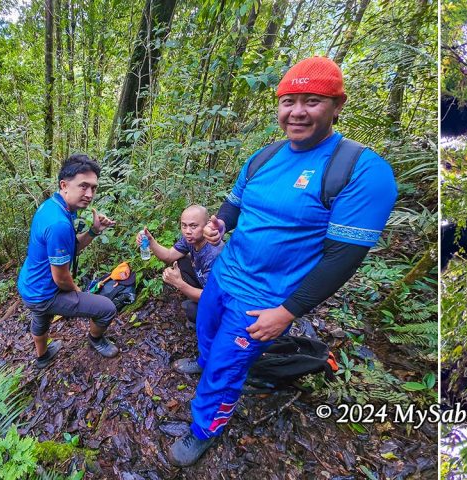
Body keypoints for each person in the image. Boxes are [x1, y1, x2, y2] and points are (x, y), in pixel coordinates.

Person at [168, 56, 398, 467]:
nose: (296, 112)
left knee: (226, 369)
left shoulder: (360, 170)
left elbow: (343, 259)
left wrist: (287, 312)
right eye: (288, 101)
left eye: (312, 101)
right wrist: (219, 224)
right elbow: (234, 206)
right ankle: (203, 364)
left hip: (265, 300)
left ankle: (204, 429)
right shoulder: (264, 156)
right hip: (225, 275)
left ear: (338, 104)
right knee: (206, 333)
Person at [17, 154, 121, 369]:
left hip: (30, 285)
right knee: (107, 308)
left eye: (93, 188)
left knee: (41, 316)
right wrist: (76, 292)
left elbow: (70, 249)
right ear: (64, 185)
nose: (90, 194)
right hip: (46, 292)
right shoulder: (58, 223)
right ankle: (96, 339)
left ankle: (42, 357)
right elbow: (61, 277)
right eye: (83, 186)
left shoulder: (54, 206)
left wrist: (93, 231)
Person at [135, 205, 223, 341]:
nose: (187, 231)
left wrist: (178, 283)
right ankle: (195, 299)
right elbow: (169, 256)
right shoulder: (191, 239)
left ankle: (208, 329)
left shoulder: (214, 254)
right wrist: (151, 241)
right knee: (182, 261)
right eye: (184, 226)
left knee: (190, 309)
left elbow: (213, 297)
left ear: (207, 226)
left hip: (222, 302)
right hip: (206, 284)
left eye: (193, 226)